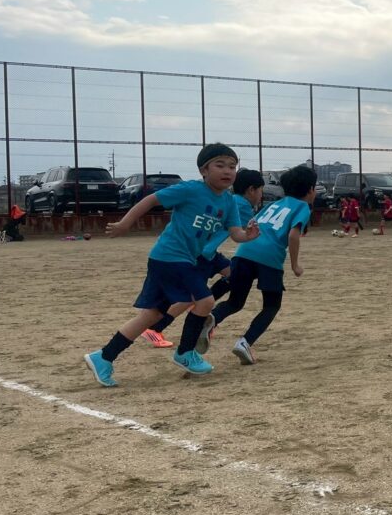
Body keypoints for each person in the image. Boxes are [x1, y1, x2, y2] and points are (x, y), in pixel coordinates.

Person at [83, 143, 259, 386]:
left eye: (232, 166)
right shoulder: (190, 189)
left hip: (180, 260)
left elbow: (235, 232)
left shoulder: (229, 202)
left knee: (152, 315)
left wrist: (247, 235)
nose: (228, 171)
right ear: (204, 170)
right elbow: (151, 200)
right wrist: (125, 223)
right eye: (220, 165)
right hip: (170, 256)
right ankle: (185, 353)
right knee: (205, 301)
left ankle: (103, 357)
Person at [142, 168, 264, 348]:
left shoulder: (231, 200)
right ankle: (156, 328)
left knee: (233, 273)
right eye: (261, 190)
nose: (261, 195)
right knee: (190, 296)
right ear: (251, 190)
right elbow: (255, 230)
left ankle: (203, 305)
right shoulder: (241, 206)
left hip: (209, 253)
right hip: (202, 254)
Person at [207, 165, 316, 364]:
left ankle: (212, 318)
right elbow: (293, 235)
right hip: (269, 258)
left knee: (235, 302)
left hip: (244, 252)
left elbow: (251, 225)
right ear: (310, 190)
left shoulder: (273, 205)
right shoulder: (302, 207)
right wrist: (295, 265)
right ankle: (244, 343)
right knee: (271, 306)